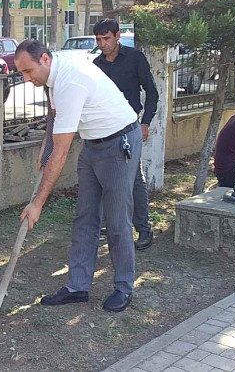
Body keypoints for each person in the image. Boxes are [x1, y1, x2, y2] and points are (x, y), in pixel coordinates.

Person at [15, 40, 142, 312]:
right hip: (93, 144)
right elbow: (54, 114)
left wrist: (37, 203)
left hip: (119, 144)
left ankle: (123, 287)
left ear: (44, 59)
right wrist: (46, 146)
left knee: (117, 220)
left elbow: (62, 152)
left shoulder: (69, 81)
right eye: (22, 73)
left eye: (28, 71)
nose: (26, 79)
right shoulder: (53, 75)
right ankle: (77, 287)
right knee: (85, 217)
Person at [92, 18, 159, 250]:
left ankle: (143, 228)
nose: (102, 44)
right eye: (98, 40)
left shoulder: (134, 58)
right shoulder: (96, 65)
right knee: (104, 178)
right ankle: (111, 224)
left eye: (106, 38)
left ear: (117, 36)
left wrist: (145, 123)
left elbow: (152, 93)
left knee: (134, 179)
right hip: (103, 130)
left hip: (130, 127)